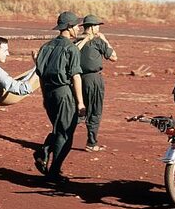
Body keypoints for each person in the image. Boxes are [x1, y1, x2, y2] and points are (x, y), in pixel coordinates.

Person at [34, 11, 86, 183]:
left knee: (59, 129)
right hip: (63, 93)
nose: (79, 28)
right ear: (69, 28)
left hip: (48, 93)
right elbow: (76, 76)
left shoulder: (46, 47)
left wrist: (43, 96)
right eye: (76, 26)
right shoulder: (71, 48)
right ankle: (54, 172)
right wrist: (80, 103)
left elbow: (40, 75)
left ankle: (45, 151)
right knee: (66, 133)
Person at [76, 14, 117, 152]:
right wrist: (105, 40)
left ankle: (63, 137)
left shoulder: (76, 41)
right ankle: (91, 143)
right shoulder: (97, 41)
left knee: (78, 110)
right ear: (92, 27)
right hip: (93, 80)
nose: (98, 28)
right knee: (94, 111)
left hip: (77, 79)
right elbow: (113, 57)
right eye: (97, 25)